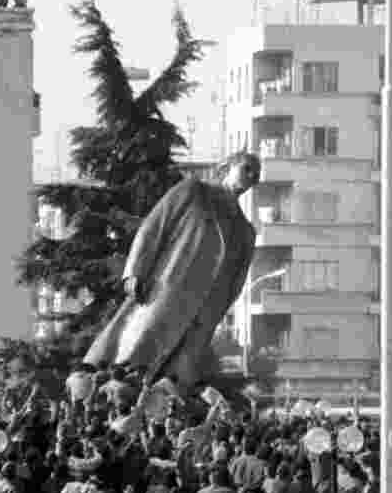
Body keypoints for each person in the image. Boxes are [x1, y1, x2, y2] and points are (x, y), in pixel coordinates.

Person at [81, 152, 261, 389]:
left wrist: (218, 313)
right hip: (167, 289)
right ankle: (111, 384)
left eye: (256, 174)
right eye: (247, 168)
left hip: (205, 309)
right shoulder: (194, 192)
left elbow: (236, 281)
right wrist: (135, 271)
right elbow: (154, 227)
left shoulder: (245, 230)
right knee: (137, 346)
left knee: (177, 372)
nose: (251, 177)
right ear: (227, 166)